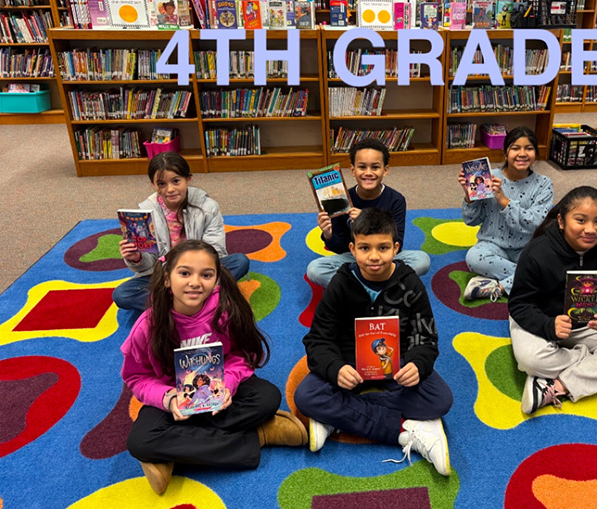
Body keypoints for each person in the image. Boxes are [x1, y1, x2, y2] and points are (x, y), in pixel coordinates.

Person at [121, 240, 308, 495]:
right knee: (140, 442)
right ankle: (262, 435)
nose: (195, 282)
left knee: (267, 397)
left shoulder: (226, 311)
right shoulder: (148, 326)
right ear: (166, 279)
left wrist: (228, 384)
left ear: (217, 279)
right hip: (174, 400)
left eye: (206, 275)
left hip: (218, 394)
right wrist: (168, 398)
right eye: (184, 273)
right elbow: (137, 377)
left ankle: (172, 454)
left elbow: (244, 355)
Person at [295, 209, 453, 476]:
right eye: (365, 248)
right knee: (306, 396)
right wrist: (335, 368)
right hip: (349, 362)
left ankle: (337, 416)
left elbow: (425, 335)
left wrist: (418, 363)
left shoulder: (410, 282)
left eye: (383, 247)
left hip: (397, 363)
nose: (374, 256)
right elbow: (318, 339)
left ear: (396, 248)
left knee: (440, 400)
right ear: (352, 249)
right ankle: (405, 430)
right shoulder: (340, 283)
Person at [507, 186, 597, 415]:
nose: (590, 230)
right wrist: (548, 325)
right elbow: (519, 305)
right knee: (531, 360)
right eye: (581, 220)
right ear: (561, 221)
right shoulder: (536, 252)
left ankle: (555, 385)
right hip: (540, 322)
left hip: (587, 326)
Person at [113, 152, 249, 313]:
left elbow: (216, 250)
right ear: (153, 185)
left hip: (199, 271)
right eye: (162, 184)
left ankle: (170, 305)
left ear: (188, 179)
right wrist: (137, 258)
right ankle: (194, 302)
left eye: (176, 181)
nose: (170, 189)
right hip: (164, 275)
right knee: (122, 294)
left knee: (240, 261)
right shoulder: (145, 214)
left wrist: (189, 270)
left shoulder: (208, 207)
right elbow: (147, 266)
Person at [306, 138, 430, 287]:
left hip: (385, 258)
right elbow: (341, 249)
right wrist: (328, 234)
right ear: (353, 170)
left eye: (375, 167)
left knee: (422, 260)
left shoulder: (396, 200)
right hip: (355, 259)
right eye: (362, 167)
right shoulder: (342, 200)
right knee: (314, 269)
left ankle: (357, 288)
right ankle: (381, 287)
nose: (368, 173)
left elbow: (397, 244)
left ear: (385, 170)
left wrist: (367, 220)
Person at [458, 126, 554, 302]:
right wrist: (469, 196)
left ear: (536, 153)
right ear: (505, 152)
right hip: (493, 245)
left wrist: (504, 201)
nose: (522, 153)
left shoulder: (543, 184)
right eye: (516, 148)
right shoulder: (488, 177)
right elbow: (471, 220)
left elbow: (536, 223)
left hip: (527, 246)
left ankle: (498, 286)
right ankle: (532, 279)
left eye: (529, 148)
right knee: (473, 258)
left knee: (551, 258)